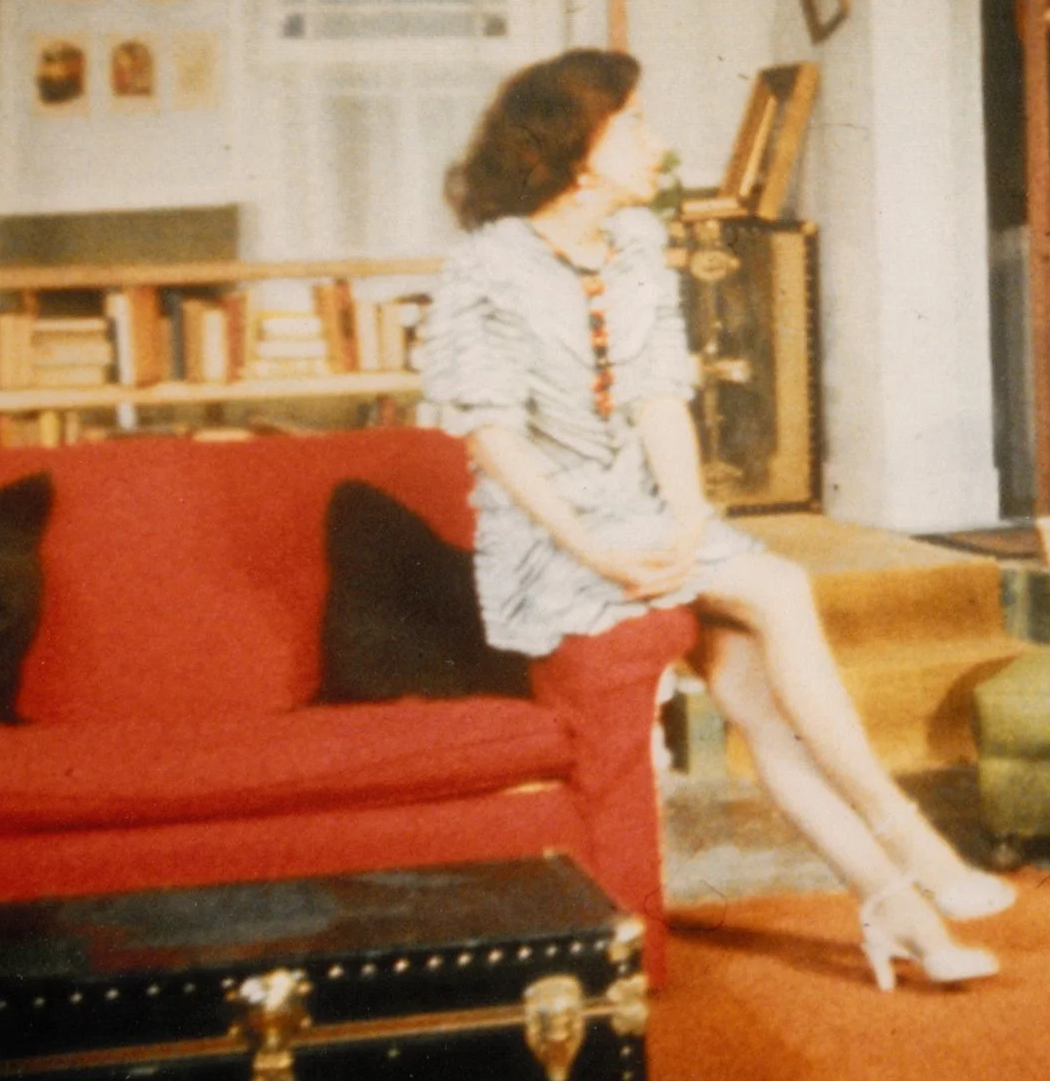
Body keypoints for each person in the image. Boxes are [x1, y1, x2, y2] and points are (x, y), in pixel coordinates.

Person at [422, 49, 1010, 990]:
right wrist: (593, 548)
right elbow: (493, 439)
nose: (656, 142)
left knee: (764, 711)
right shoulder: (489, 268)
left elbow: (660, 398)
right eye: (634, 123)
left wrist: (692, 515)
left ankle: (898, 908)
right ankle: (908, 841)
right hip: (553, 541)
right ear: (577, 149)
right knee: (778, 586)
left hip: (648, 513)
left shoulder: (634, 246)